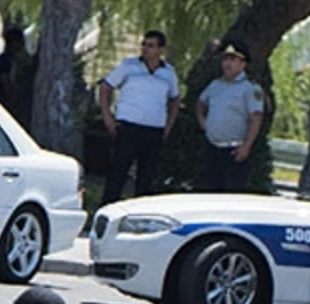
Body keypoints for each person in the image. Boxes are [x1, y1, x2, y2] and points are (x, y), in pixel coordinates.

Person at [98, 30, 180, 204]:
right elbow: (105, 87)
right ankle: (106, 211)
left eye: (150, 45)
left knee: (146, 178)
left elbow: (174, 99)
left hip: (153, 130)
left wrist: (169, 125)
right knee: (117, 174)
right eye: (144, 44)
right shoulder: (129, 66)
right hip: (128, 127)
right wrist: (107, 116)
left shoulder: (169, 73)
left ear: (161, 50)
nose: (145, 48)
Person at [196, 39, 264, 192]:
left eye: (233, 59)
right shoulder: (215, 85)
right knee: (207, 192)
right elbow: (201, 102)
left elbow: (256, 118)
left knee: (230, 195)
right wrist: (203, 121)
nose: (227, 63)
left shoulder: (250, 88)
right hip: (212, 148)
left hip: (234, 151)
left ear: (242, 64)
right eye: (226, 59)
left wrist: (246, 147)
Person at [0, 27, 28, 123]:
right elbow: (5, 82)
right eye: (20, 42)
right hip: (1, 101)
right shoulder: (6, 61)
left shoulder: (5, 59)